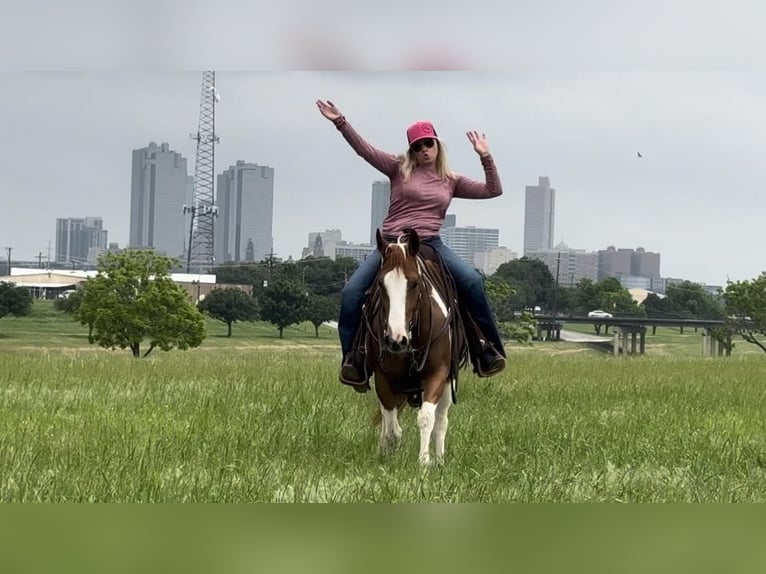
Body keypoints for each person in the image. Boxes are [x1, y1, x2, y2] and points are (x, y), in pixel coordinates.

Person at [316, 99, 507, 391]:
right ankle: (354, 360)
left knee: (472, 282)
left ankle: (486, 348)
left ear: (437, 145)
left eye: (428, 144)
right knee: (351, 293)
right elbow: (363, 150)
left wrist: (486, 156)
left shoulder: (450, 180)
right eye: (417, 146)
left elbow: (493, 190)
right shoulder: (397, 168)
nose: (423, 150)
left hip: (430, 244)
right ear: (411, 150)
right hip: (392, 245)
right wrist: (340, 121)